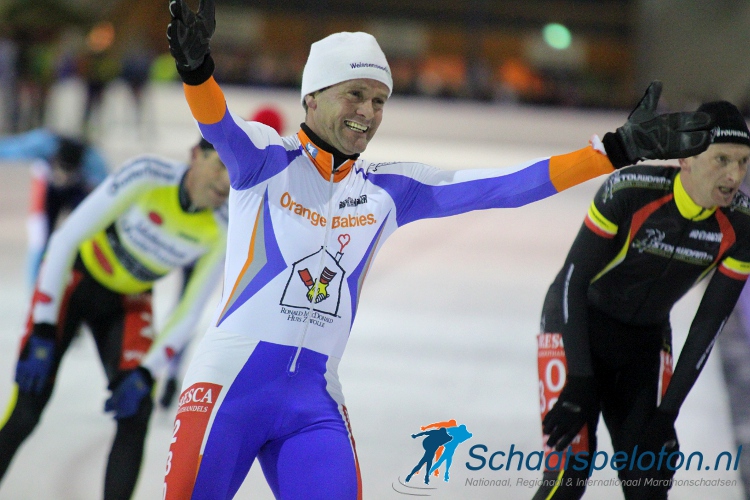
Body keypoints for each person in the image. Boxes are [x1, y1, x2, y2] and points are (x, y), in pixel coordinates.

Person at [162, 1, 714, 498]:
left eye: (379, 100)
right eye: (355, 93)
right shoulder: (265, 160)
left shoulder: (390, 188)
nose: (368, 112)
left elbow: (506, 185)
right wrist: (195, 70)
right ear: (313, 95)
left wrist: (612, 151)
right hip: (229, 385)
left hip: (314, 402)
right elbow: (218, 122)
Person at [533, 100, 750, 500]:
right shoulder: (631, 191)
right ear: (686, 159)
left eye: (743, 162)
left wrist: (668, 413)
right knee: (570, 473)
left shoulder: (742, 223)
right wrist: (579, 379)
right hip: (578, 325)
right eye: (722, 159)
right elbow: (571, 282)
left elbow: (708, 324)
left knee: (649, 481)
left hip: (644, 341)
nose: (734, 175)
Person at [0, 138, 229, 500]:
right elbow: (64, 239)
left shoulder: (225, 224)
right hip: (75, 281)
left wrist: (148, 371)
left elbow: (191, 310)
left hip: (129, 300)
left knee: (136, 411)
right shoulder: (148, 176)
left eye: (236, 171)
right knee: (27, 409)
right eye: (219, 165)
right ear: (194, 156)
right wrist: (44, 326)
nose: (225, 183)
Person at [157, 104, 286, 408]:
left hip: (203, 236)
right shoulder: (274, 161)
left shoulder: (236, 145)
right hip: (232, 248)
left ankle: (170, 371)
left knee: (185, 304)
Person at [0, 128, 108, 285]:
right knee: (39, 236)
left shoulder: (94, 162)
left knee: (88, 233)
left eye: (67, 174)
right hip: (47, 186)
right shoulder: (42, 144)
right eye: (61, 172)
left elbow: (108, 190)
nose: (62, 178)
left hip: (78, 189)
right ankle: (35, 288)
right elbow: (11, 149)